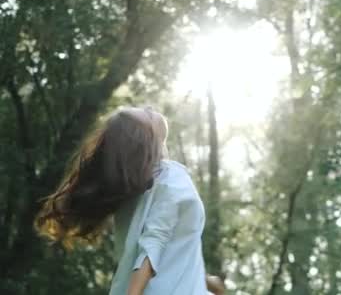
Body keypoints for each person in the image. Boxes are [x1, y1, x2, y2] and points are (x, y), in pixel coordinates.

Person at [35, 106, 225, 295]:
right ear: (143, 137)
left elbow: (167, 253)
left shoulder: (139, 191)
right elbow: (152, 246)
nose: (149, 108)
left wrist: (204, 280)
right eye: (147, 114)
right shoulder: (171, 177)